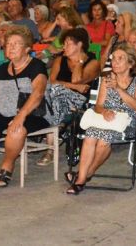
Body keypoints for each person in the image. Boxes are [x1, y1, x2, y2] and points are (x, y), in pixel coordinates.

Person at [0, 26, 51, 188]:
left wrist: (20, 117)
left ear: (27, 48)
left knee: (16, 129)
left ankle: (7, 166)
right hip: (3, 112)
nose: (10, 47)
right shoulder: (1, 69)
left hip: (32, 113)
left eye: (16, 44)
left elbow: (38, 94)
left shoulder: (36, 66)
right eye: (8, 44)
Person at [65, 43, 136, 194]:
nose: (115, 62)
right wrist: (104, 112)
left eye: (120, 59)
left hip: (127, 122)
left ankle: (87, 173)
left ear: (131, 63)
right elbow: (98, 106)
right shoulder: (107, 78)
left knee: (103, 140)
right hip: (105, 119)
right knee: (90, 135)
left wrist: (118, 89)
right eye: (113, 58)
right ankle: (81, 178)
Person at [39, 28, 100, 166]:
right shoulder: (59, 60)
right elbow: (52, 81)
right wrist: (74, 87)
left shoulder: (93, 63)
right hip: (58, 99)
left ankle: (50, 150)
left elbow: (77, 80)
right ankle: (59, 127)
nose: (64, 47)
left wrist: (79, 63)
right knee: (52, 93)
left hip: (79, 103)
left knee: (53, 94)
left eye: (68, 44)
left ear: (79, 45)